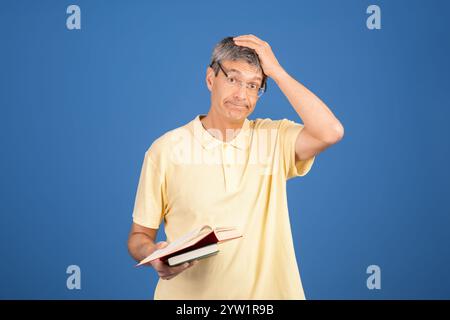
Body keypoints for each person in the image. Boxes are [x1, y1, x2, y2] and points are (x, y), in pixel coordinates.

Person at [127, 34, 344, 299]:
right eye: (232, 79)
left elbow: (330, 131)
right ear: (210, 79)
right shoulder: (165, 149)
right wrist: (154, 254)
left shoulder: (273, 138)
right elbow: (139, 236)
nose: (242, 95)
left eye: (254, 85)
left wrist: (276, 72)